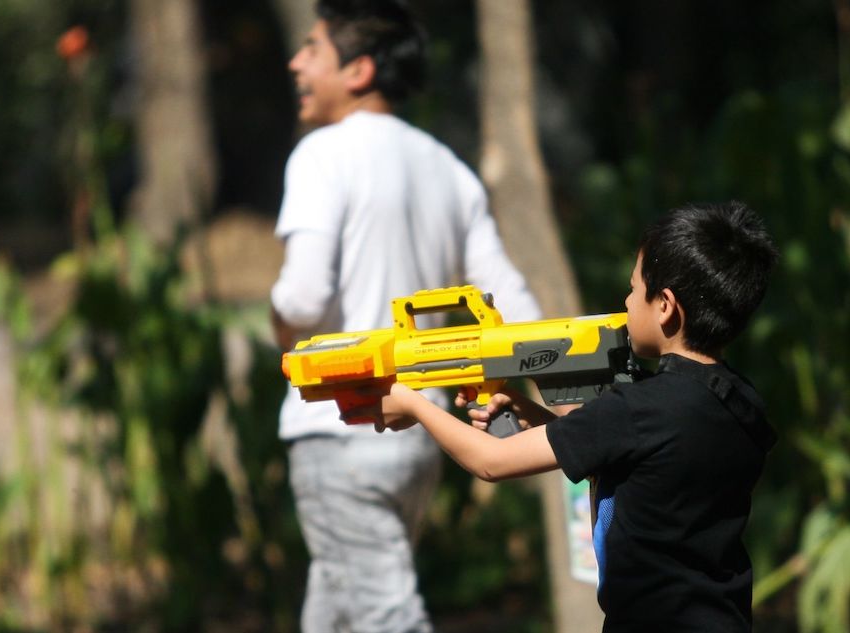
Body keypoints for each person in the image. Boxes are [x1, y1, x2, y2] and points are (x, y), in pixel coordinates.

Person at [363, 202, 780, 632]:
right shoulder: (734, 400)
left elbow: (491, 462)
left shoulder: (639, 408)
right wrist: (528, 411)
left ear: (665, 306)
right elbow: (638, 463)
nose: (626, 301)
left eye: (634, 289)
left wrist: (413, 404)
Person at [269, 1, 541, 631]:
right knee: (338, 609)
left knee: (386, 615)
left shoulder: (322, 154)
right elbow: (512, 304)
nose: (295, 63)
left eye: (313, 49)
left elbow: (302, 298)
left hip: (341, 424)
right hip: (418, 432)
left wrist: (277, 325)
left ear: (359, 70)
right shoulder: (448, 168)